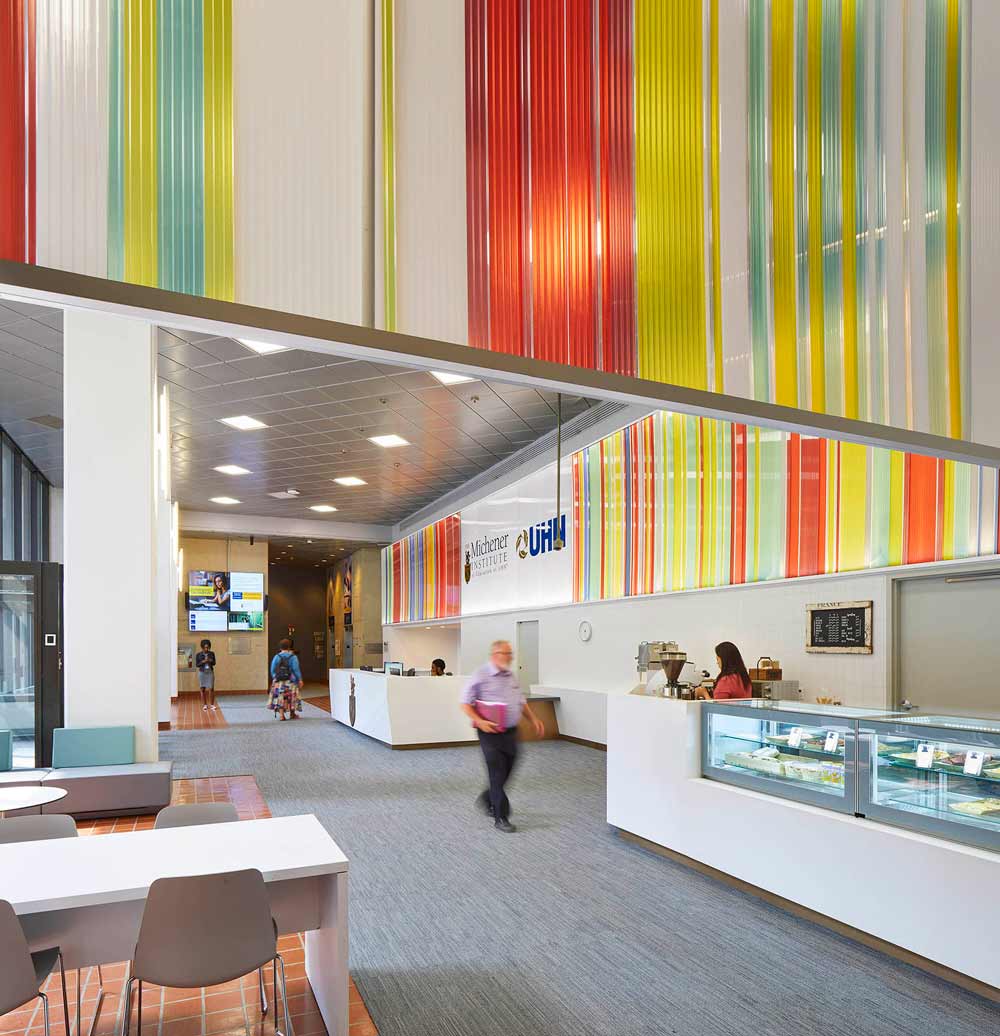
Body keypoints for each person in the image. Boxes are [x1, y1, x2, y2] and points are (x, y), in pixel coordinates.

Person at [459, 639, 544, 833]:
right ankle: (501, 816)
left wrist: (533, 720)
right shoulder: (480, 675)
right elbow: (464, 702)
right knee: (497, 774)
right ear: (495, 655)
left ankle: (488, 798)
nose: (510, 658)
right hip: (489, 733)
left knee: (509, 768)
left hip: (511, 732)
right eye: (507, 654)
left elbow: (521, 701)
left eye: (511, 654)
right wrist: (479, 721)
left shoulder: (511, 676)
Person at [269, 638, 303, 720]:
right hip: (291, 681)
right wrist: (300, 679)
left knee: (280, 697)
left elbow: (272, 669)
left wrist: (275, 678)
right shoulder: (293, 657)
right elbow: (296, 669)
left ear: (280, 648)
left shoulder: (277, 656)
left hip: (279, 681)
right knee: (292, 696)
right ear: (289, 647)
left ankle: (281, 715)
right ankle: (292, 714)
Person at [195, 639, 217, 711]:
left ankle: (212, 705)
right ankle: (204, 705)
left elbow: (214, 663)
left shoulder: (212, 653)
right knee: (202, 689)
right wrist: (203, 661)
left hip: (210, 672)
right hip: (202, 673)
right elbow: (197, 665)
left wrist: (210, 660)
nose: (206, 649)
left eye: (208, 647)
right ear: (202, 647)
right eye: (205, 647)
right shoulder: (198, 654)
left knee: (211, 688)